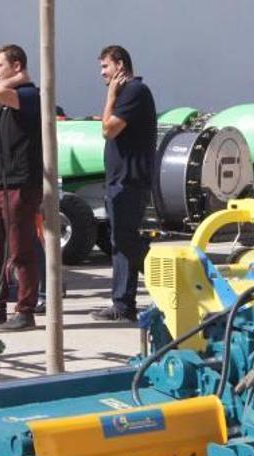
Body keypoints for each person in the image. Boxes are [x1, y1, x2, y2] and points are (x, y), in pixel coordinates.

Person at [0, 44, 43, 332]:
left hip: (20, 184)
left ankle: (26, 310)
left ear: (17, 66)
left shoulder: (29, 95)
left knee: (20, 250)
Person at [90, 45, 157, 322]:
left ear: (119, 64)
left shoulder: (132, 92)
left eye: (105, 67)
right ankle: (123, 304)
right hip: (120, 180)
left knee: (126, 240)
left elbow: (108, 129)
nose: (102, 73)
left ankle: (166, 273)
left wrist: (109, 97)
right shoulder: (127, 94)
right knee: (119, 242)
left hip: (129, 180)